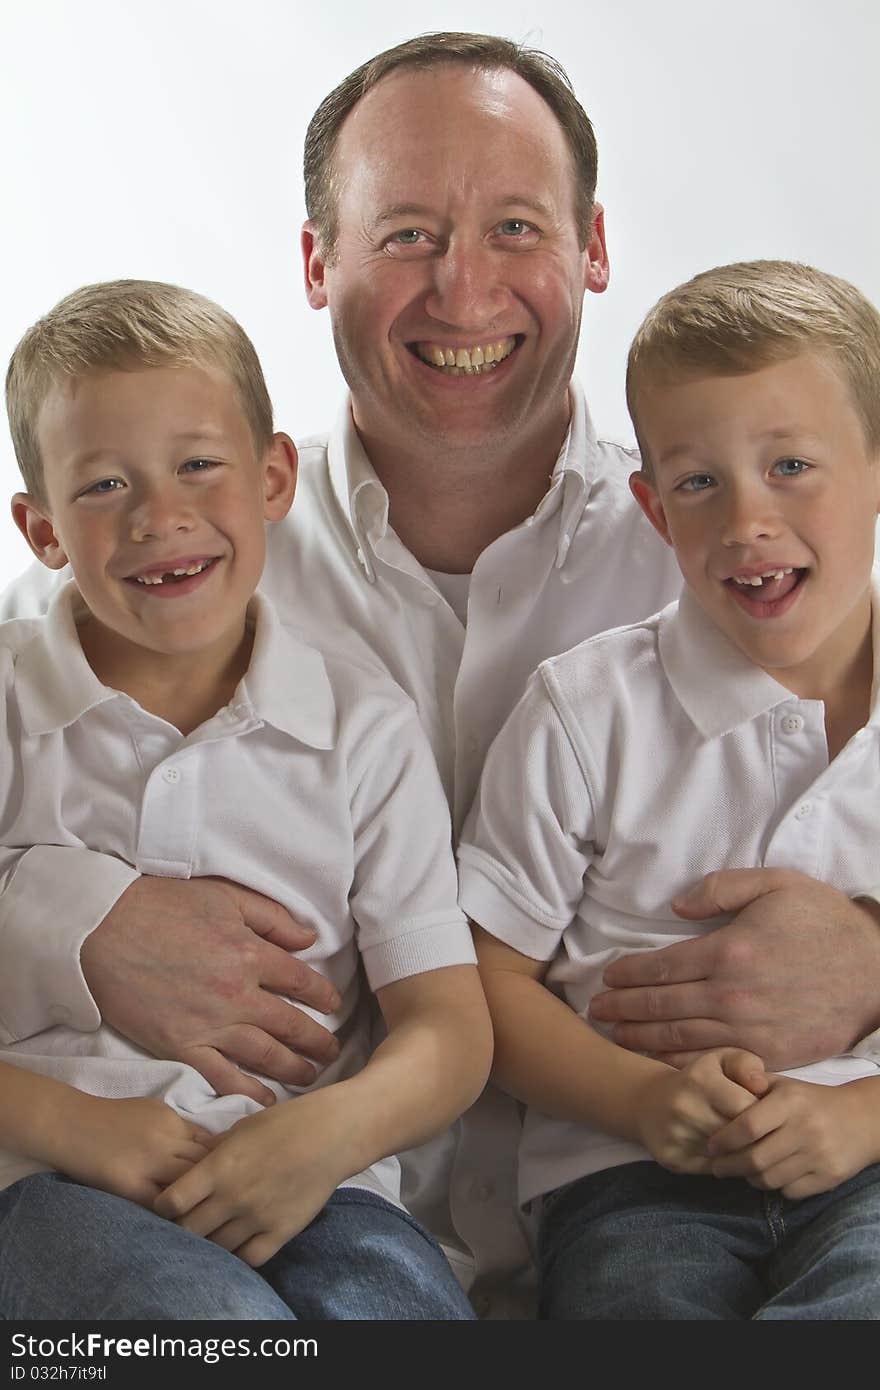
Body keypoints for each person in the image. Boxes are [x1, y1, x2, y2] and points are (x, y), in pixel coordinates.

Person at [2, 34, 879, 1316]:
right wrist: (64, 924)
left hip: (564, 1223)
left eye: (514, 226)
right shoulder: (180, 558)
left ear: (591, 247)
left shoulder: (724, 549)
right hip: (222, 1210)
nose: (464, 292)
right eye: (407, 233)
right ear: (318, 262)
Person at [0, 278, 490, 1320]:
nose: (159, 516)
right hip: (49, 1183)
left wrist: (326, 1137)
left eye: (196, 466)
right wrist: (73, 1127)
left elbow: (447, 1030)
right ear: (40, 529)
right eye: (101, 488)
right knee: (214, 1332)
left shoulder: (361, 725)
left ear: (273, 476)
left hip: (315, 1185)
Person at [461, 259, 880, 1319]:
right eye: (698, 481)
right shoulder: (583, 709)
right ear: (650, 507)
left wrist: (868, 1114)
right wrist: (643, 1101)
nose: (745, 518)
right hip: (631, 1178)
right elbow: (484, 984)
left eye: (790, 464)